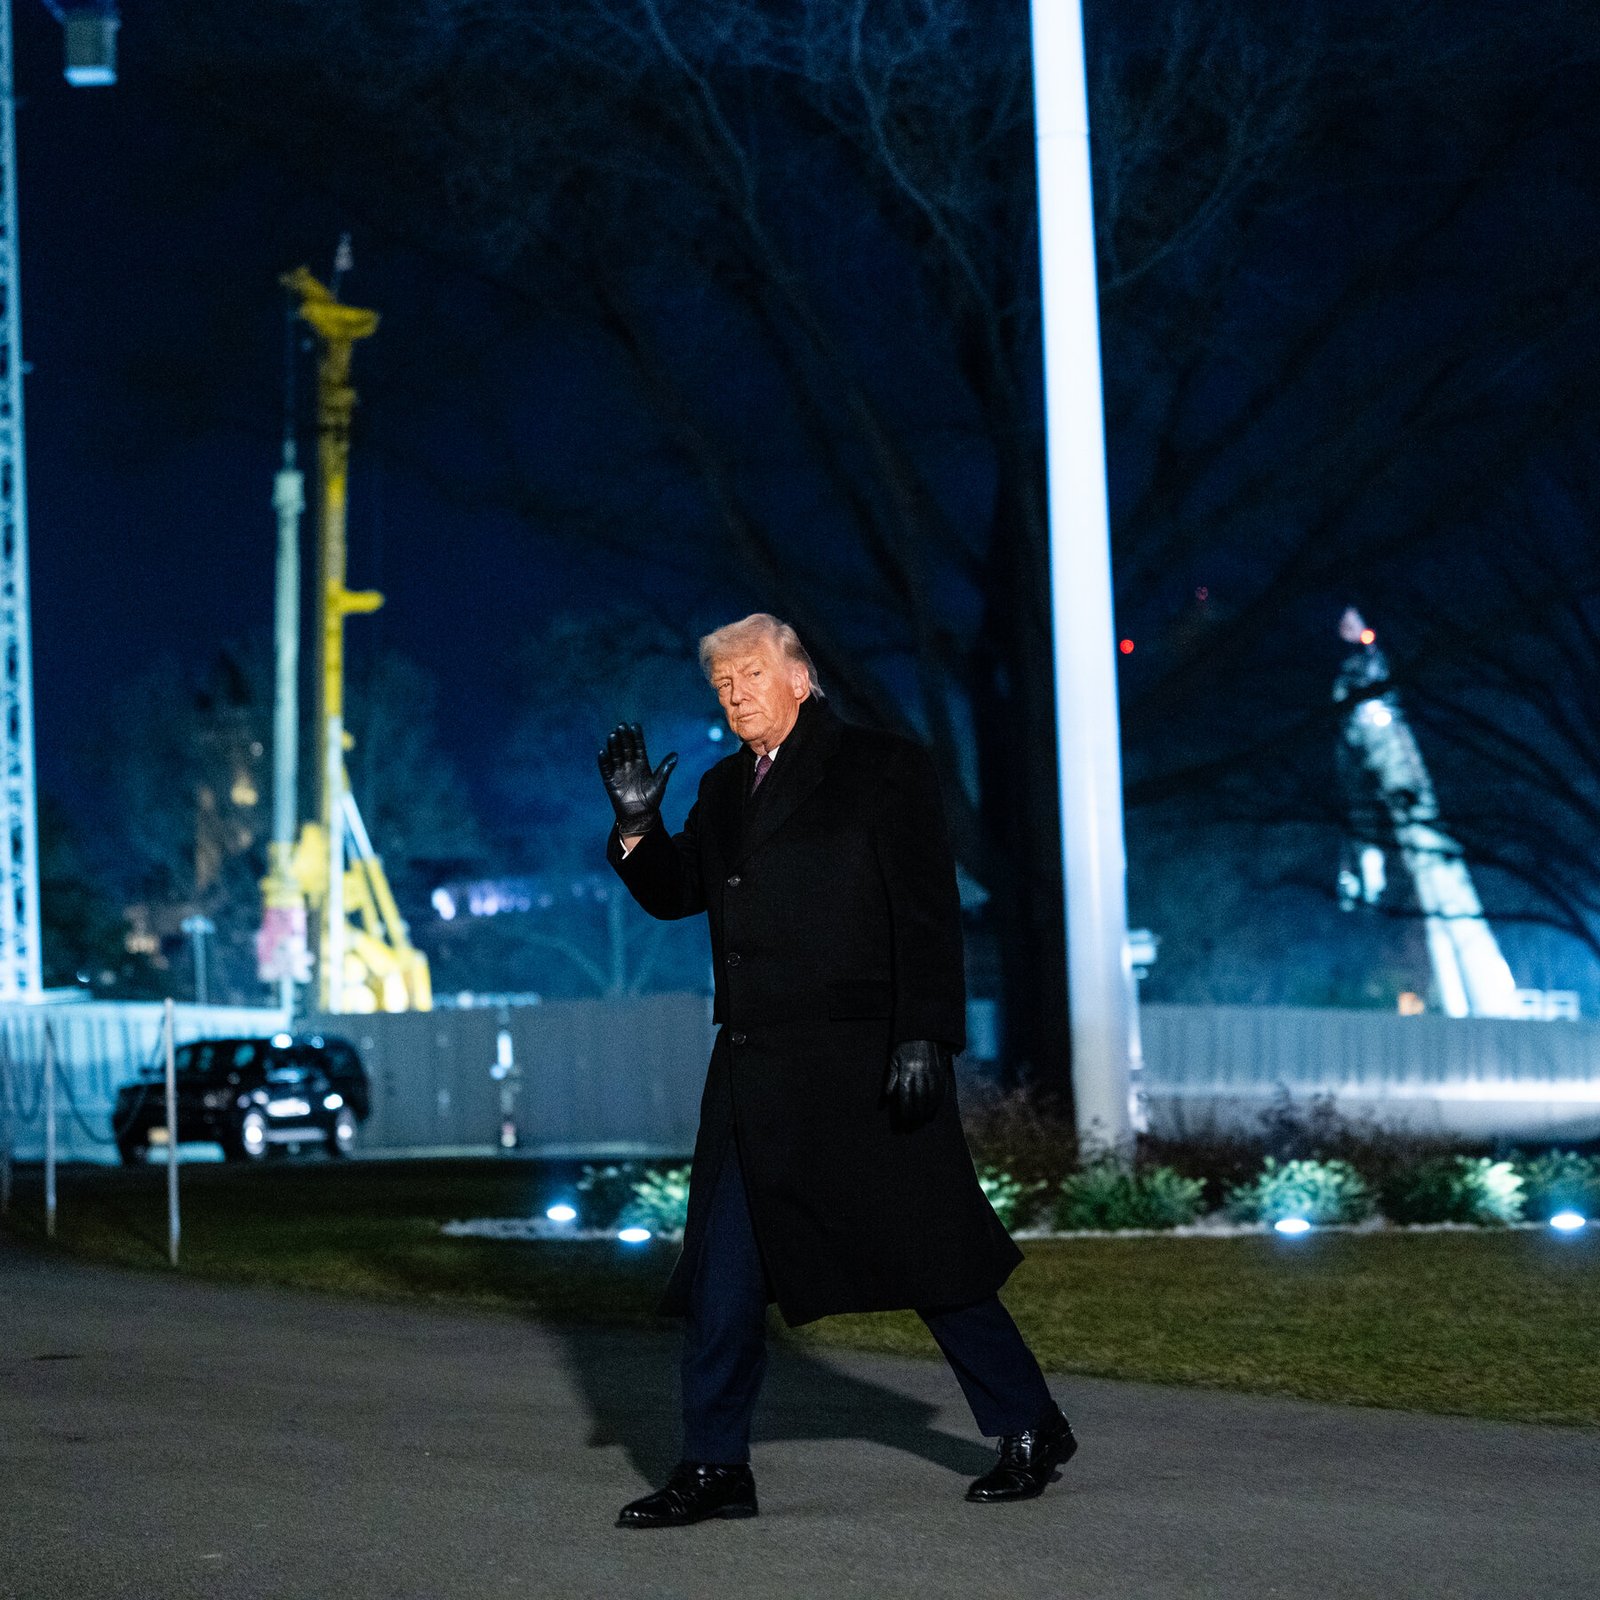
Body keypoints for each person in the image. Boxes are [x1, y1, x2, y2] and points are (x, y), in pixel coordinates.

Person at [599, 612, 1074, 1529]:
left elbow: (926, 910)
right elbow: (676, 893)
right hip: (753, 1071)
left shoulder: (880, 767)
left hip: (866, 1065)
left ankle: (1030, 1425)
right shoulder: (724, 788)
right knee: (722, 1274)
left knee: (930, 1253)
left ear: (800, 676)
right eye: (721, 684)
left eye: (749, 674)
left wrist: (922, 1035)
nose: (734, 694)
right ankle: (713, 1466)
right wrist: (636, 825)